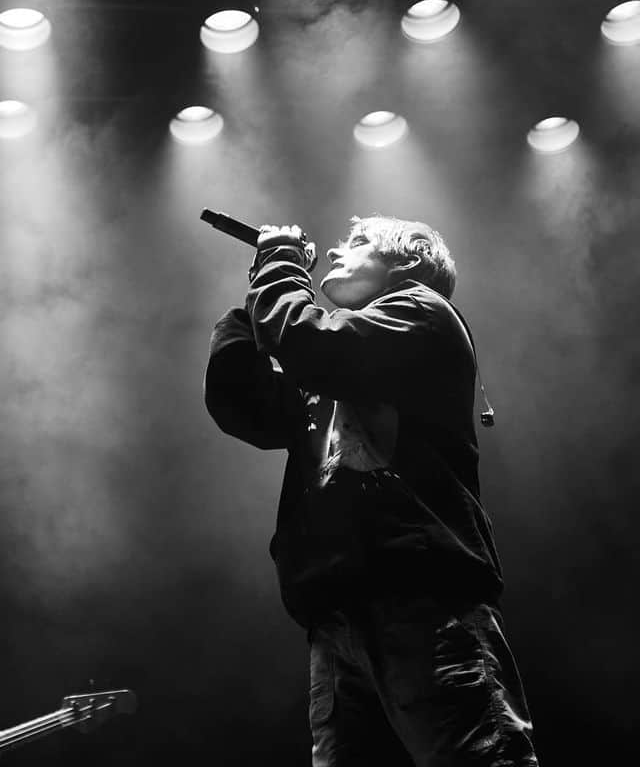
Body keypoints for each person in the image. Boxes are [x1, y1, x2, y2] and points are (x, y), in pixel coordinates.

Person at [204, 216, 539, 766]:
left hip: (423, 598)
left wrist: (282, 266)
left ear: (405, 262)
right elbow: (244, 407)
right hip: (336, 616)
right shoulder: (338, 361)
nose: (336, 250)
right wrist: (252, 307)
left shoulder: (422, 315)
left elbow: (310, 343)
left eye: (357, 243)